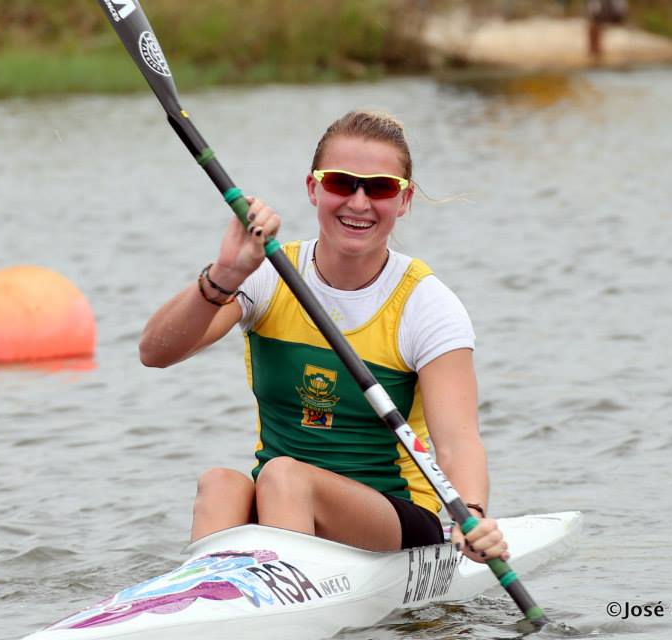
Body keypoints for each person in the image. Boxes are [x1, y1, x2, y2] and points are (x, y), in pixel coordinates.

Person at [139, 110, 508, 564]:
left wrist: (471, 513)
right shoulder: (268, 275)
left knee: (283, 476)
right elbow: (155, 353)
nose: (358, 202)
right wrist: (226, 274)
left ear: (404, 199)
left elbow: (457, 441)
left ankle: (283, 605)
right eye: (340, 182)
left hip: (394, 517)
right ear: (313, 188)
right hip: (285, 503)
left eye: (379, 188)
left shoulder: (426, 305)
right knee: (221, 482)